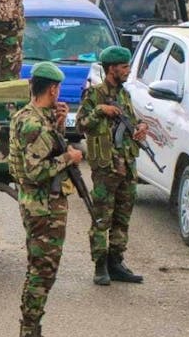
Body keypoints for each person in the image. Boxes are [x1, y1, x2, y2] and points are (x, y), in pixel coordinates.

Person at [9, 62, 82, 337]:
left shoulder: (27, 116)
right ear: (52, 89)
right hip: (43, 207)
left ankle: (31, 326)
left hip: (39, 203)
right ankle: (29, 329)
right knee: (42, 270)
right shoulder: (34, 124)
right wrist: (70, 158)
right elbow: (37, 170)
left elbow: (44, 151)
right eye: (58, 88)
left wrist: (59, 124)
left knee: (40, 268)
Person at [76, 46, 148, 287]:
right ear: (111, 69)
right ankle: (100, 266)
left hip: (127, 165)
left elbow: (131, 120)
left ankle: (116, 262)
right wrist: (100, 111)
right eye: (124, 67)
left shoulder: (124, 94)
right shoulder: (95, 94)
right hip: (106, 167)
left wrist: (139, 129)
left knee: (122, 217)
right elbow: (81, 125)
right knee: (101, 218)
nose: (128, 71)